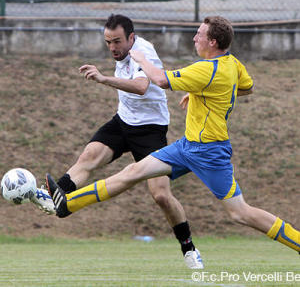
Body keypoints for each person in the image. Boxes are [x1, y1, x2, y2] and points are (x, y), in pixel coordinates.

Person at [46, 15, 300, 265]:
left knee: (240, 213)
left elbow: (159, 80)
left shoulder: (206, 69)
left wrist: (142, 59)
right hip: (186, 146)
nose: (194, 38)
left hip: (210, 152)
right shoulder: (232, 64)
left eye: (199, 34)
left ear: (212, 42)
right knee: (132, 172)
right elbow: (247, 87)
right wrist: (203, 92)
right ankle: (67, 205)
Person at [38, 14, 203, 269]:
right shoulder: (120, 50)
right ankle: (51, 198)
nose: (113, 48)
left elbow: (140, 87)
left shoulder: (143, 51)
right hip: (123, 121)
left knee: (160, 195)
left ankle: (188, 247)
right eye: (108, 42)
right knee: (88, 157)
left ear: (131, 38)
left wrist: (103, 79)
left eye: (117, 41)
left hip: (150, 130)